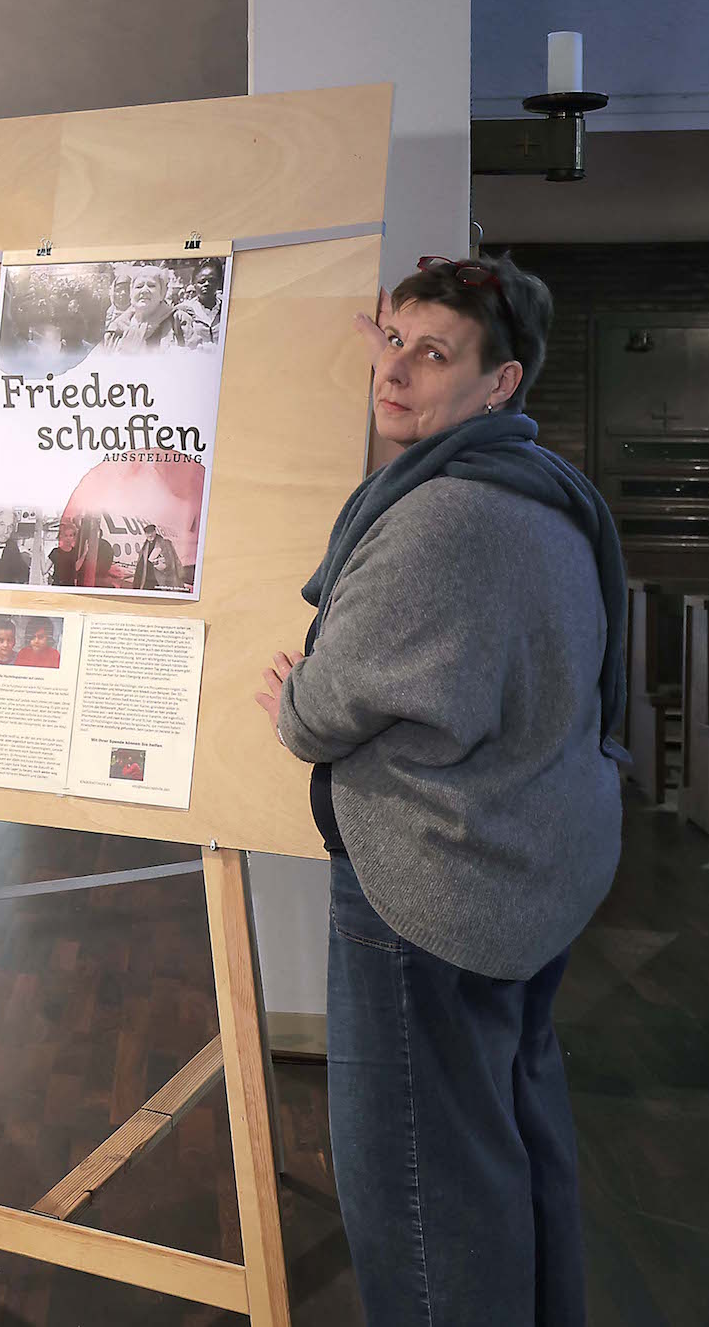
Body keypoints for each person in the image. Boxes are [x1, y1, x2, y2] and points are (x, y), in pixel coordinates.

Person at [253, 253, 626, 1324]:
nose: (397, 368)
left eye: (434, 351)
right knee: (506, 1139)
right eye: (391, 340)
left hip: (431, 882)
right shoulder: (549, 497)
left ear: (499, 382)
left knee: (416, 1186)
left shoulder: (441, 516)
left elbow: (322, 708)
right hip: (524, 867)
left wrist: (298, 696)